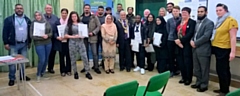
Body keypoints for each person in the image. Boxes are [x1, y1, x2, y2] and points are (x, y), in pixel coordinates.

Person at [211, 3, 238, 96]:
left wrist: (233, 52)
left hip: (224, 49)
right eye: (217, 10)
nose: (218, 12)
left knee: (223, 70)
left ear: (225, 11)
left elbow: (233, 37)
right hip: (217, 47)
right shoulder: (219, 20)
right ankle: (222, 88)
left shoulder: (231, 20)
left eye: (220, 10)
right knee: (220, 69)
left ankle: (225, 90)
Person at [2, 3, 31, 86]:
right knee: (12, 63)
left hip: (24, 44)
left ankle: (22, 76)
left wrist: (29, 42)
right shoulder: (9, 19)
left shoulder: (27, 19)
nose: (19, 10)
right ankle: (12, 78)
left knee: (23, 62)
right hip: (13, 44)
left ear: (23, 9)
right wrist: (5, 42)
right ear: (14, 10)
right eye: (17, 8)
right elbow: (5, 32)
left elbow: (29, 32)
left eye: (21, 8)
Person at [190, 6, 214, 92]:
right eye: (198, 11)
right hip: (195, 49)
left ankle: (204, 85)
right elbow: (194, 34)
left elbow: (206, 36)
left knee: (204, 69)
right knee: (196, 68)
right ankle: (198, 82)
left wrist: (195, 43)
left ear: (206, 12)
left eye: (201, 11)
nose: (199, 13)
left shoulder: (209, 23)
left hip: (203, 49)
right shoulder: (197, 22)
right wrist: (192, 40)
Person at [64, 11, 93, 80]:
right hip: (72, 43)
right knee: (73, 58)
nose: (74, 18)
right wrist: (73, 37)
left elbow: (85, 33)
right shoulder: (68, 25)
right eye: (72, 17)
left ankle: (87, 72)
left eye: (75, 16)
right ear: (71, 18)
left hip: (81, 43)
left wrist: (83, 36)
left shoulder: (81, 24)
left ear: (77, 17)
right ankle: (75, 72)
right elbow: (65, 35)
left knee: (85, 57)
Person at [174, 7, 196, 86]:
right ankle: (183, 77)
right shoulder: (179, 22)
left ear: (189, 13)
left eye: (185, 13)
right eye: (182, 12)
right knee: (180, 62)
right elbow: (174, 32)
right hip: (178, 45)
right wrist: (177, 41)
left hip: (187, 45)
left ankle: (188, 79)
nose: (183, 14)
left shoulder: (192, 22)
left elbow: (190, 34)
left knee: (187, 62)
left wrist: (181, 41)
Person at [30, 11, 52, 82]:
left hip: (48, 43)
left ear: (41, 15)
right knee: (42, 59)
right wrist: (42, 37)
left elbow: (51, 32)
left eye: (39, 15)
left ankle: (43, 73)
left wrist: (47, 35)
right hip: (39, 43)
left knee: (46, 59)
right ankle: (38, 74)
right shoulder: (33, 24)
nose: (38, 16)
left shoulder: (46, 22)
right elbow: (32, 36)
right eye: (36, 15)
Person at [80, 4, 101, 74]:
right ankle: (86, 67)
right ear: (83, 9)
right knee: (85, 53)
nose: (87, 9)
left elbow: (99, 26)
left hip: (93, 37)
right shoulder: (80, 17)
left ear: (90, 9)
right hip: (84, 38)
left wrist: (93, 32)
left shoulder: (94, 17)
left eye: (88, 8)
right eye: (85, 8)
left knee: (94, 53)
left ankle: (96, 67)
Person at [45, 4, 61, 74]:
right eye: (47, 8)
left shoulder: (55, 18)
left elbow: (59, 28)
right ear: (45, 9)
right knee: (44, 55)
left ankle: (50, 68)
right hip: (44, 39)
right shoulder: (41, 17)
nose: (49, 9)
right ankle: (42, 69)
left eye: (50, 8)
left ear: (52, 9)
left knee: (52, 54)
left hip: (53, 39)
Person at [166, 6, 181, 77]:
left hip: (179, 40)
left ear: (179, 11)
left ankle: (178, 69)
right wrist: (171, 36)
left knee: (178, 56)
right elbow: (168, 30)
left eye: (176, 11)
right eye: (174, 11)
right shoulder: (169, 20)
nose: (175, 12)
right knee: (170, 56)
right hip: (170, 40)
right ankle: (171, 70)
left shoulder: (182, 20)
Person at [59, 8, 71, 76]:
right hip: (60, 41)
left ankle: (68, 70)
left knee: (68, 56)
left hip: (68, 41)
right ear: (61, 14)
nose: (64, 14)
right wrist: (58, 37)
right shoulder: (58, 21)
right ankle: (62, 71)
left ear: (67, 14)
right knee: (61, 56)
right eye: (63, 13)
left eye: (65, 13)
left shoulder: (69, 22)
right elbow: (55, 31)